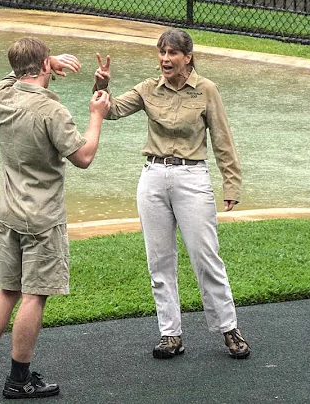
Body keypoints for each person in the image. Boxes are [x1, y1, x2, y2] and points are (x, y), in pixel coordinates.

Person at [0, 36, 111, 398]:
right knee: (34, 295)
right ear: (45, 65)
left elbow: (12, 75)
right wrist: (96, 116)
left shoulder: (1, 94)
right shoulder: (52, 112)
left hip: (8, 211)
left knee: (7, 289)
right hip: (42, 217)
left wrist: (45, 61)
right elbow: (84, 156)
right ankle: (19, 379)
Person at [92, 28, 250, 359]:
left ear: (187, 58)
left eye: (172, 53)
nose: (165, 59)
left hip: (192, 177)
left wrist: (231, 183)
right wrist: (102, 84)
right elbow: (111, 110)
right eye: (162, 53)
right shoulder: (149, 88)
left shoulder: (207, 90)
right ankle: (170, 335)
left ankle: (229, 329)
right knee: (159, 260)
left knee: (205, 256)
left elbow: (222, 140)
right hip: (152, 176)